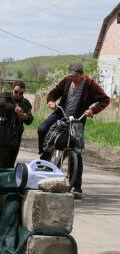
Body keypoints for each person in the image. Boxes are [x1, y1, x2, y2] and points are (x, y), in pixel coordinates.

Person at [37, 63, 110, 199]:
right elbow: (54, 93)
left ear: (82, 74)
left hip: (77, 120)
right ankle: (45, 154)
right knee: (42, 129)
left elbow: (105, 100)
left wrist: (92, 110)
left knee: (76, 151)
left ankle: (77, 187)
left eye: (76, 76)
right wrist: (51, 101)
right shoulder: (66, 81)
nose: (73, 78)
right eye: (71, 76)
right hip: (61, 113)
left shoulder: (90, 84)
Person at [0, 81, 33, 168]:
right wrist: (14, 108)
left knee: (11, 162)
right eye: (16, 92)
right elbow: (1, 103)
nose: (18, 94)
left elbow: (30, 119)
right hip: (3, 132)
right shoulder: (5, 96)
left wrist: (26, 117)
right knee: (4, 160)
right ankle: (1, 180)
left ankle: (10, 180)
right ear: (12, 89)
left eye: (21, 93)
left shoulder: (25, 103)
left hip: (16, 134)